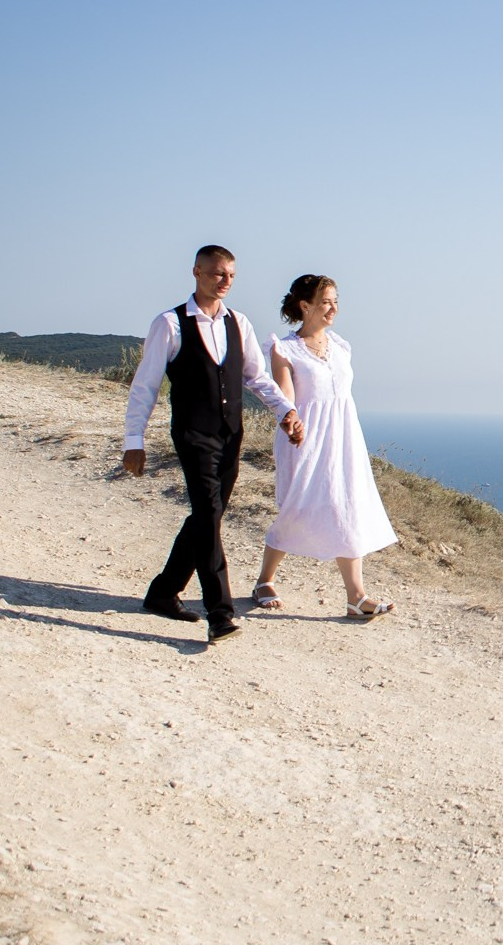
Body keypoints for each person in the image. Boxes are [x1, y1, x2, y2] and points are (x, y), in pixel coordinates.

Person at [122, 245, 304, 646]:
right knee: (208, 514)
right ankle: (220, 614)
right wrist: (133, 440)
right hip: (192, 435)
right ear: (197, 272)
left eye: (231, 276)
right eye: (217, 273)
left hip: (230, 435)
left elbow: (257, 378)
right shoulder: (169, 324)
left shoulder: (239, 323)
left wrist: (285, 411)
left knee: (209, 516)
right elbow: (145, 386)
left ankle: (163, 592)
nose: (225, 281)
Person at [249, 274, 399, 617]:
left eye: (335, 301)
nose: (333, 309)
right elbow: (285, 396)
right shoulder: (283, 349)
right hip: (303, 438)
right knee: (298, 509)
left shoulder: (342, 347)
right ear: (305, 306)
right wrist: (290, 420)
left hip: (343, 439)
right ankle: (264, 580)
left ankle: (356, 597)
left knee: (347, 506)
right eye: (325, 302)